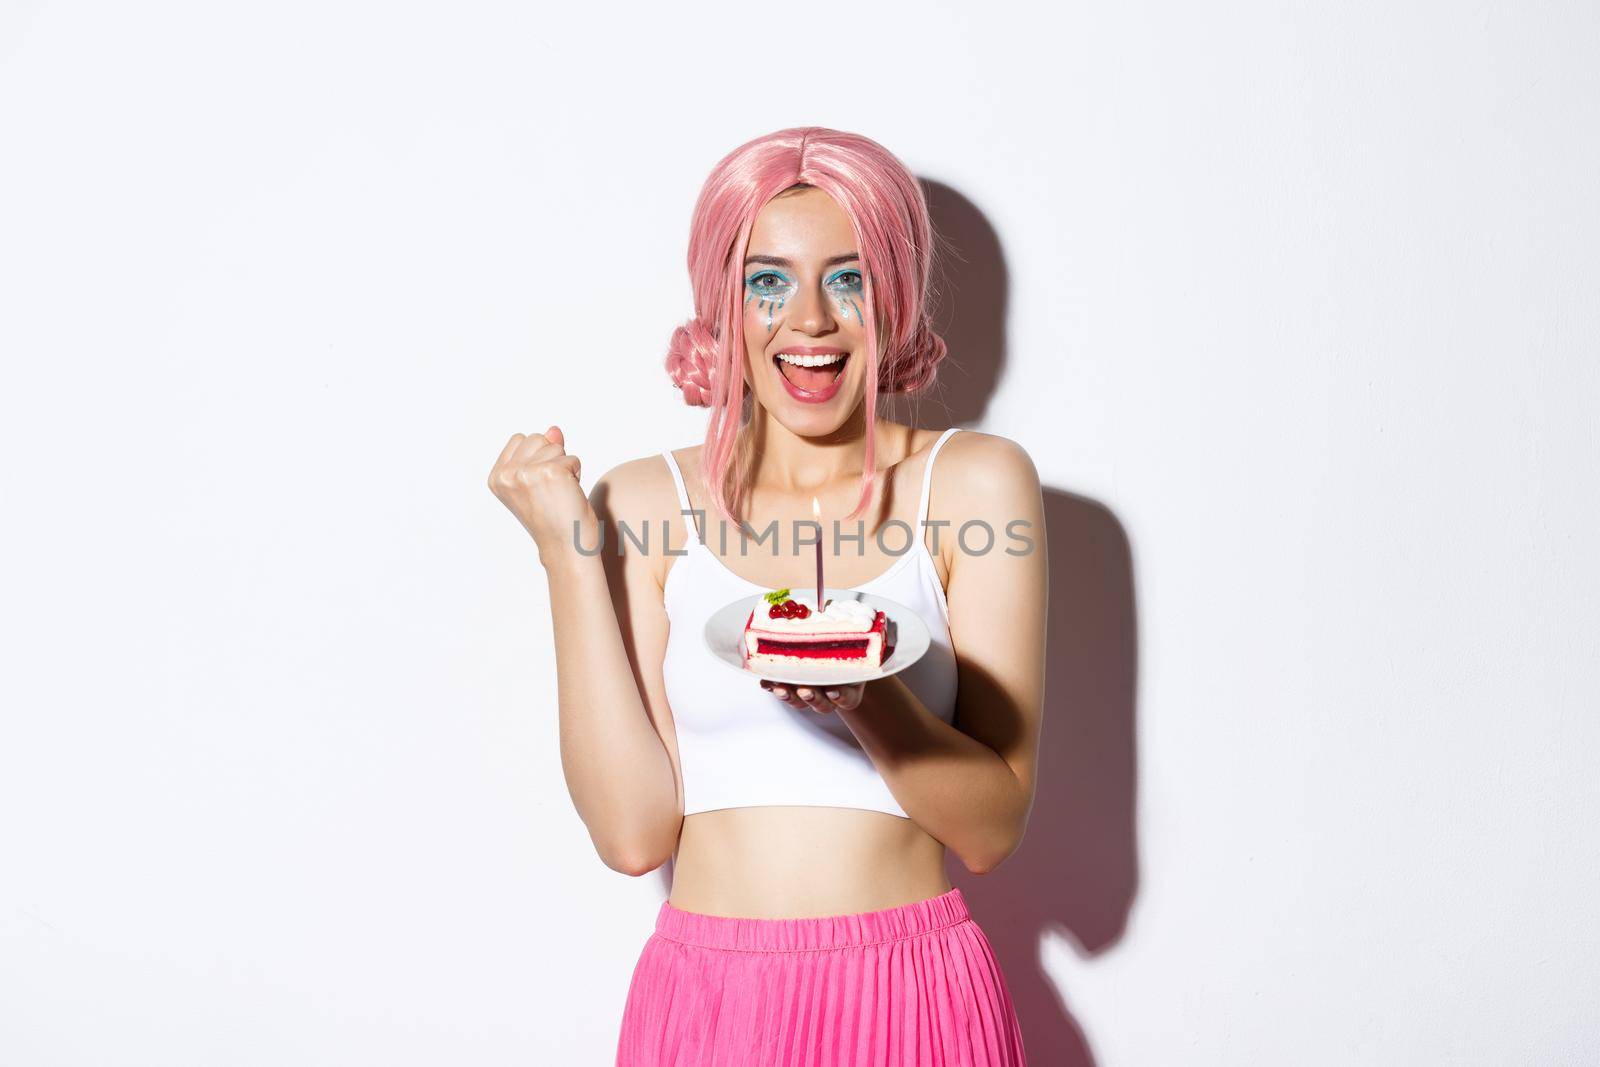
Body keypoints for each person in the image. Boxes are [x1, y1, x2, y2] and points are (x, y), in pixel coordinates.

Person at [488, 127, 1046, 1065]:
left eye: (851, 277)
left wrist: (867, 701)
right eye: (768, 281)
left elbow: (992, 830)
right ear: (724, 306)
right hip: (707, 1003)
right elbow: (632, 836)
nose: (812, 322)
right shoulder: (642, 499)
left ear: (897, 296)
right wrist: (566, 554)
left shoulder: (976, 485)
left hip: (909, 990)